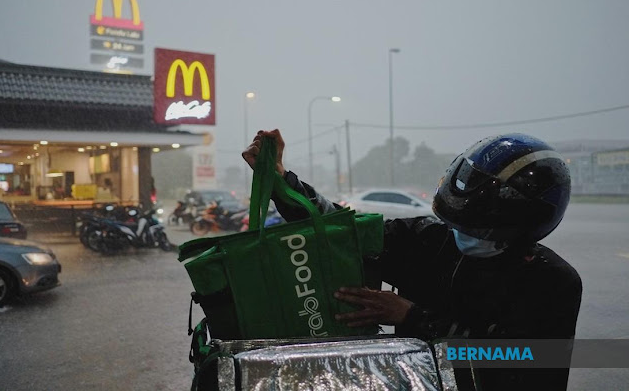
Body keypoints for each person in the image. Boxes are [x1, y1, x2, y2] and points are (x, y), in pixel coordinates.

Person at [242, 129, 582, 391]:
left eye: (479, 230)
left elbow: (518, 361)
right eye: (456, 224)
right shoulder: (427, 239)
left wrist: (413, 317)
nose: (460, 234)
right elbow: (339, 231)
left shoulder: (552, 281)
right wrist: (281, 182)